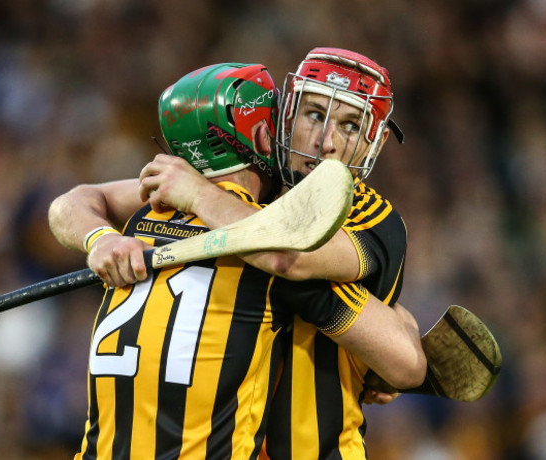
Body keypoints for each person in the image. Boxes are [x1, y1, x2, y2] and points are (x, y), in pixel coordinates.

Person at [51, 62, 425, 459]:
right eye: (315, 115)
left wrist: (197, 193)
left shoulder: (370, 217)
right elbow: (72, 201)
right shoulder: (231, 204)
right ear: (282, 120)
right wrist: (100, 238)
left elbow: (286, 255)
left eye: (350, 125)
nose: (326, 142)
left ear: (376, 141)